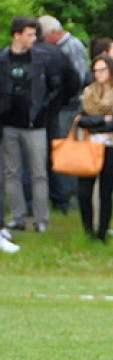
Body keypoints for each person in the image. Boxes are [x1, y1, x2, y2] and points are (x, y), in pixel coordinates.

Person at [0, 16, 62, 233]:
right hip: (8, 123)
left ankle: (41, 219)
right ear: (17, 36)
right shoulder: (3, 59)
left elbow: (57, 86)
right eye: (29, 34)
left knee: (38, 173)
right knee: (12, 172)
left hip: (35, 124)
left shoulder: (42, 59)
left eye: (35, 34)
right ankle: (18, 217)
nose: (34, 38)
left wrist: (44, 108)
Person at [76, 54, 113, 242]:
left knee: (106, 191)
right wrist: (101, 119)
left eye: (102, 70)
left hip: (112, 145)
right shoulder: (88, 92)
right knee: (84, 191)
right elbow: (81, 120)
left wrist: (94, 123)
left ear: (112, 70)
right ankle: (88, 231)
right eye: (95, 70)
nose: (98, 74)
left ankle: (102, 233)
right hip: (88, 145)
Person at [37, 15, 85, 216]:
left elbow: (79, 77)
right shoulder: (57, 49)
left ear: (53, 34)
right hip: (60, 105)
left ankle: (68, 196)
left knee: (64, 151)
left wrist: (63, 99)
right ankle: (61, 196)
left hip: (69, 106)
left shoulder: (72, 46)